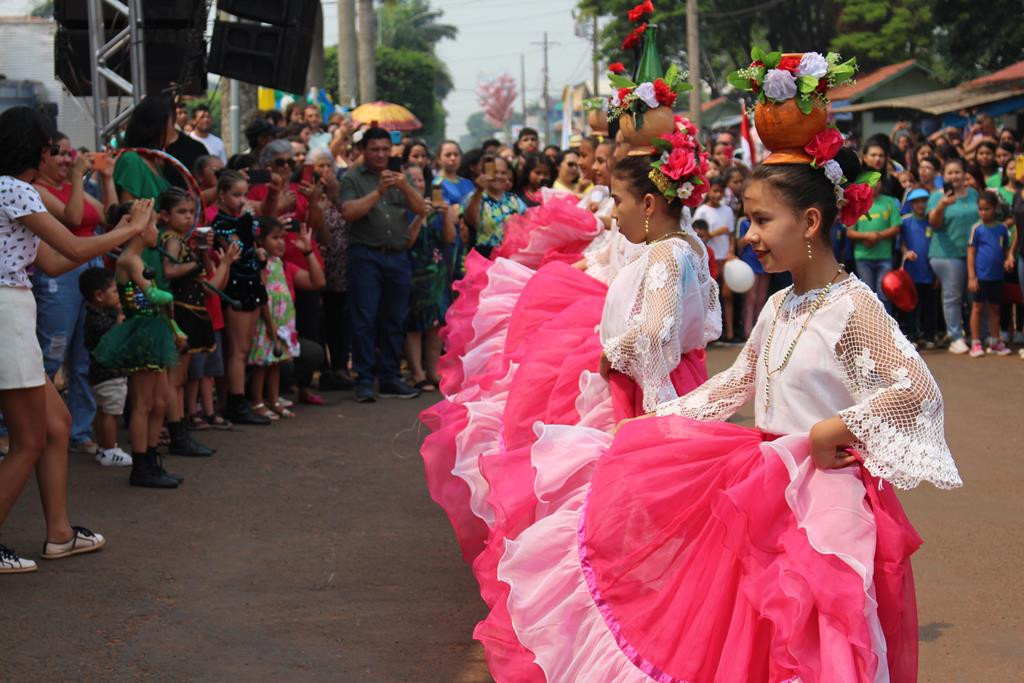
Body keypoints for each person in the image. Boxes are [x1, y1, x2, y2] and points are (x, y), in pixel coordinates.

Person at [481, 96, 962, 682]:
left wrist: (834, 429)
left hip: (826, 500)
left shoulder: (854, 305)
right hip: (768, 480)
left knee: (817, 637)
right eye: (747, 219)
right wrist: (655, 426)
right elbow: (738, 380)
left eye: (761, 220)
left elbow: (916, 390)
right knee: (754, 629)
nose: (749, 235)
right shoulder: (782, 303)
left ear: (810, 222)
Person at [0, 106, 146, 573]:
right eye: (53, 151)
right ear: (37, 152)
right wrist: (127, 231)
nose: (59, 159)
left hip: (14, 310)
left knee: (57, 424)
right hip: (9, 313)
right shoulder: (15, 188)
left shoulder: (11, 191)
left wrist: (119, 235)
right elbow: (76, 248)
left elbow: (55, 261)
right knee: (29, 439)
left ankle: (60, 534)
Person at [33, 132, 118, 456]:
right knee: (50, 354)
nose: (68, 159)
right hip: (61, 273)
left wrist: (107, 178)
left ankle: (79, 431)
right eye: (60, 153)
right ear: (41, 156)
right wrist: (79, 178)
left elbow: (110, 217)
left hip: (90, 268)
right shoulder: (37, 191)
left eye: (71, 153)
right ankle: (17, 427)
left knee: (85, 357)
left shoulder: (73, 185)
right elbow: (74, 218)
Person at [93, 201, 184, 488]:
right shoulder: (129, 260)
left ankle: (152, 460)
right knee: (143, 403)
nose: (156, 231)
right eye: (153, 224)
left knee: (160, 402)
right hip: (142, 333)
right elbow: (154, 298)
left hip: (154, 329)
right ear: (139, 228)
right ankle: (141, 466)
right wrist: (170, 297)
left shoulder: (139, 260)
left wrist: (175, 327)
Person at [339, 126, 427, 402]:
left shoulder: (400, 177)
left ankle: (391, 376)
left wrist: (403, 186)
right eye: (374, 149)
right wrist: (378, 192)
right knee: (364, 318)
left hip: (397, 256)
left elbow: (421, 209)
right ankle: (365, 378)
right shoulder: (353, 178)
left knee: (395, 318)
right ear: (363, 151)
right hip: (366, 254)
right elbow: (349, 213)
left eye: (385, 150)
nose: (380, 155)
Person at [157, 187, 229, 457]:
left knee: (180, 378)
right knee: (176, 379)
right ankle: (178, 433)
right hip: (182, 311)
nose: (188, 217)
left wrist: (201, 253)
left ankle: (179, 430)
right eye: (181, 212)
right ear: (165, 215)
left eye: (190, 212)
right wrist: (196, 264)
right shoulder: (172, 238)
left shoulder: (181, 239)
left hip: (192, 309)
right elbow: (169, 270)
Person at [248, 220, 325, 418]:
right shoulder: (262, 266)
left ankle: (274, 399)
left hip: (283, 324)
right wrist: (270, 325)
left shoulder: (282, 265)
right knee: (263, 363)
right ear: (260, 241)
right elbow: (262, 297)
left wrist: (308, 252)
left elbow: (319, 282)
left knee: (276, 362)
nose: (281, 242)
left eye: (282, 237)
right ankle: (257, 401)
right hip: (268, 323)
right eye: (275, 238)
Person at [404, 164, 457, 391]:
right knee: (414, 325)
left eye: (420, 179)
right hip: (413, 273)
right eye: (412, 179)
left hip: (437, 275)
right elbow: (406, 241)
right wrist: (419, 217)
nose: (418, 183)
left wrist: (445, 216)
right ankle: (417, 372)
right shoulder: (402, 208)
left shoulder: (436, 207)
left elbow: (449, 238)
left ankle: (433, 370)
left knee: (436, 323)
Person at [79, 267, 132, 466]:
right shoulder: (100, 320)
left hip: (99, 374)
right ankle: (110, 450)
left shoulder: (95, 314)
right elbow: (113, 340)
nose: (118, 295)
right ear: (99, 296)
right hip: (110, 374)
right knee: (111, 412)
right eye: (114, 292)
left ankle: (103, 448)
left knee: (103, 411)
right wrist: (120, 319)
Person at [928, 157, 979, 354]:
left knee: (974, 295)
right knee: (953, 296)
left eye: (958, 172)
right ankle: (955, 336)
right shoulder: (937, 197)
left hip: (972, 253)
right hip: (946, 254)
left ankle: (978, 335)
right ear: (943, 176)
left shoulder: (974, 193)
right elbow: (934, 224)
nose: (954, 176)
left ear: (964, 174)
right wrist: (942, 205)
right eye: (950, 173)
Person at [967, 191, 1013, 357]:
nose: (983, 212)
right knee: (977, 308)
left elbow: (1006, 249)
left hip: (997, 276)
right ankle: (976, 342)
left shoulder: (1002, 228)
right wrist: (972, 277)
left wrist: (1008, 259)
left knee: (995, 308)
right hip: (980, 276)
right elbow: (971, 253)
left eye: (986, 209)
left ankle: (994, 341)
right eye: (980, 209)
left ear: (994, 208)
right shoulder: (976, 229)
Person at [694, 176, 738, 340]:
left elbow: (731, 234)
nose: (718, 194)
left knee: (727, 296)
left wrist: (731, 251)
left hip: (725, 258)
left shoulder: (727, 210)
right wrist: (716, 232)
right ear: (709, 191)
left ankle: (730, 332)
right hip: (708, 258)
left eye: (721, 191)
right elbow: (699, 235)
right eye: (715, 191)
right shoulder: (702, 211)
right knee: (710, 297)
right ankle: (708, 334)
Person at [847, 183, 901, 312]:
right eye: (871, 181)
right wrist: (866, 236)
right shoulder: (856, 203)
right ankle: (870, 328)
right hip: (863, 257)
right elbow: (849, 232)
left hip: (884, 257)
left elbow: (896, 228)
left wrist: (877, 236)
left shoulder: (890, 202)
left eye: (878, 181)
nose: (875, 185)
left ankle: (887, 327)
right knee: (868, 294)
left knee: (885, 293)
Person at [462, 155, 526, 259]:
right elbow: (471, 221)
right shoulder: (474, 197)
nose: (499, 176)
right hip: (483, 259)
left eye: (503, 173)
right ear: (483, 173)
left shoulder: (514, 200)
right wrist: (479, 191)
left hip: (509, 260)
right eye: (495, 172)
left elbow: (528, 224)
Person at [900, 188, 939, 346]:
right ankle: (912, 336)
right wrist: (906, 252)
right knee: (911, 305)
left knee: (930, 305)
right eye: (916, 202)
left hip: (929, 269)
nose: (921, 205)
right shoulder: (905, 221)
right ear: (911, 204)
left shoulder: (933, 220)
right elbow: (901, 242)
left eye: (924, 201)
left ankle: (929, 336)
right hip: (912, 270)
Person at [735, 216, 769, 337]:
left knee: (761, 298)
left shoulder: (766, 221)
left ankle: (758, 329)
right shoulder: (743, 222)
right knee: (750, 298)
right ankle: (748, 332)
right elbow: (739, 244)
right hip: (749, 261)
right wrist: (752, 235)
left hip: (763, 260)